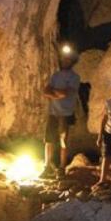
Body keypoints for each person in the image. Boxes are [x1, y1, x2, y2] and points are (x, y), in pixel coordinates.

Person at [39, 43, 81, 180]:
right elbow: (46, 90)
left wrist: (54, 93)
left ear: (72, 61)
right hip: (53, 112)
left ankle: (62, 168)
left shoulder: (75, 77)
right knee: (49, 140)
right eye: (63, 59)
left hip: (65, 113)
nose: (64, 61)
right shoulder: (55, 75)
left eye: (67, 59)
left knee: (63, 141)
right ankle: (47, 166)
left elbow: (64, 93)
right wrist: (55, 94)